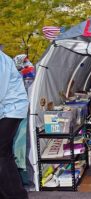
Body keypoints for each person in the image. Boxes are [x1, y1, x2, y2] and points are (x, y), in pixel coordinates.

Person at [0, 50, 29, 199]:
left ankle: (16, 195)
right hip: (7, 110)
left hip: (11, 110)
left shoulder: (1, 60)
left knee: (2, 153)